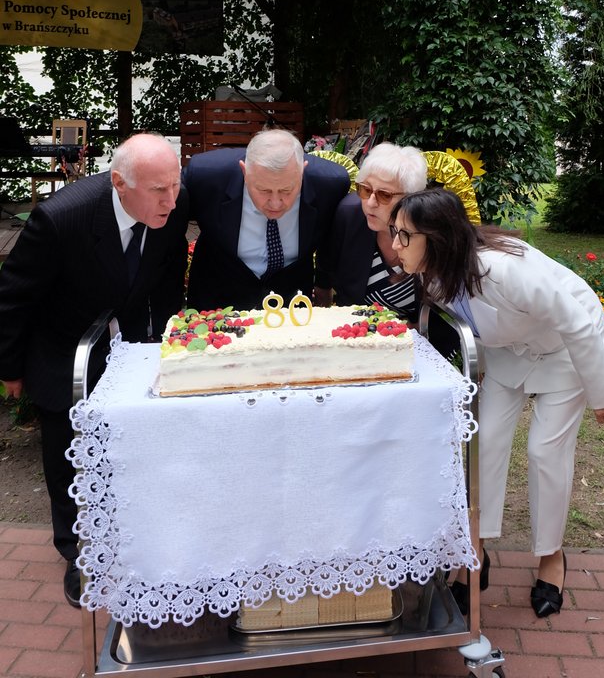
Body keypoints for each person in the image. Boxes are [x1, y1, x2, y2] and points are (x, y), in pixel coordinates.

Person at [389, 187, 604, 618]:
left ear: (436, 238)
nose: (395, 244)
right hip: (510, 352)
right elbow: (474, 320)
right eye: (394, 231)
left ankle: (551, 557)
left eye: (404, 235)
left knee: (545, 451)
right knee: (486, 442)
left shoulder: (502, 269)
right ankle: (475, 551)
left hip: (566, 347)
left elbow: (576, 322)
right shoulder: (433, 271)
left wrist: (601, 392)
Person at [0, 133, 189, 608]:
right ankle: (78, 554)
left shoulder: (171, 203)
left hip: (128, 338)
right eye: (159, 190)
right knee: (66, 450)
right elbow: (13, 297)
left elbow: (166, 274)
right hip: (61, 342)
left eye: (175, 185)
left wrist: (167, 344)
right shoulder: (60, 219)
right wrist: (10, 368)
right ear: (119, 183)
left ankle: (134, 534)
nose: (171, 201)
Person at [184, 127, 350, 310]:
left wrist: (323, 284)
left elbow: (330, 236)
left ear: (302, 171)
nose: (276, 203)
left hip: (291, 305)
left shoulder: (330, 184)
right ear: (244, 171)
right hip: (216, 300)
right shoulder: (205, 176)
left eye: (287, 190)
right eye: (264, 190)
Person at [321, 142, 427, 318]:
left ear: (411, 197)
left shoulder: (429, 227)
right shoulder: (349, 215)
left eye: (384, 195)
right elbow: (325, 273)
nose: (370, 203)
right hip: (354, 327)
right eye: (365, 189)